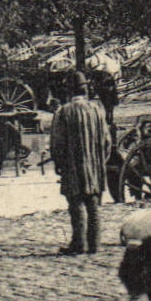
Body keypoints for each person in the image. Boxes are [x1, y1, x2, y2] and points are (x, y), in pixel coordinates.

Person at [48, 71, 111, 256]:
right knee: (93, 204)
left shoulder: (63, 112)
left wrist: (59, 163)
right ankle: (95, 245)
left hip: (73, 166)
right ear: (86, 90)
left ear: (68, 91)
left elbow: (57, 142)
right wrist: (100, 160)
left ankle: (79, 244)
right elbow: (107, 141)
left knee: (75, 204)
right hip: (94, 165)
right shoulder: (97, 110)